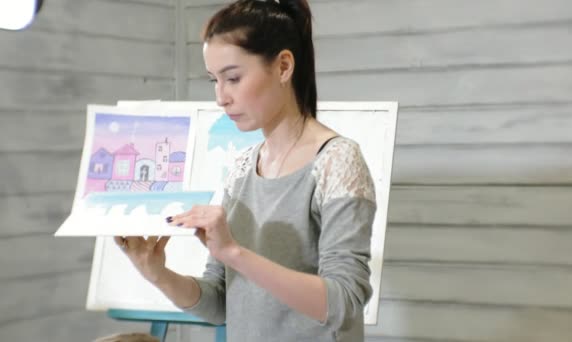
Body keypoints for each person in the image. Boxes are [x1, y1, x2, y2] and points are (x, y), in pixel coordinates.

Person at [114, 0, 376, 340]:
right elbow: (220, 304)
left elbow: (344, 303)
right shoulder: (241, 169)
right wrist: (157, 273)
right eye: (214, 80)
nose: (221, 97)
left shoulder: (337, 161)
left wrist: (234, 253)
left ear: (283, 66)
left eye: (233, 78)